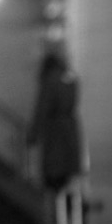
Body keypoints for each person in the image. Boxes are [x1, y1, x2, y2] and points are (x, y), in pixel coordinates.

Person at [28, 52, 83, 196]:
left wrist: (33, 135)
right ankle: (68, 203)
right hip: (70, 131)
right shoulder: (71, 80)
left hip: (55, 134)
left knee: (53, 176)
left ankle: (54, 204)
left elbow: (41, 109)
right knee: (67, 177)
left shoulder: (49, 81)